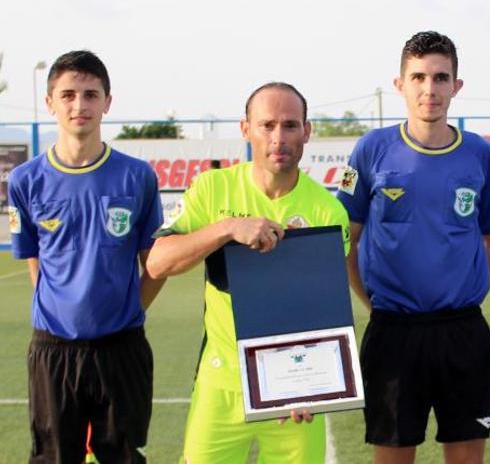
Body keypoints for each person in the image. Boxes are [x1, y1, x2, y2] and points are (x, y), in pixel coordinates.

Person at [145, 82, 349, 463]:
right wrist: (226, 229)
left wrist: (313, 386)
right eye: (266, 125)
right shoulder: (212, 189)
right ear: (245, 129)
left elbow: (324, 312)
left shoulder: (327, 212)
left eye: (290, 125)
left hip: (293, 394)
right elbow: (158, 262)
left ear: (307, 131)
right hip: (221, 385)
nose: (278, 137)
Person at [336, 30, 490, 464]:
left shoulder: (480, 154)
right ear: (400, 84)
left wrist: (458, 285)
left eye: (440, 77)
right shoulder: (369, 151)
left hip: (463, 333)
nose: (428, 89)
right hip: (393, 332)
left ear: (457, 86)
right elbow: (345, 240)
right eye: (417, 77)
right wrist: (372, 301)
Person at [7, 50, 166, 463]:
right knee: (54, 457)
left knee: (123, 457)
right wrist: (64, 315)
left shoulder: (137, 176)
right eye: (69, 95)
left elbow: (156, 263)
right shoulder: (25, 181)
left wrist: (126, 310)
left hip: (122, 348)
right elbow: (34, 259)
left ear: (107, 102)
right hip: (54, 351)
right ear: (50, 103)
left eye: (91, 94)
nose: (80, 105)